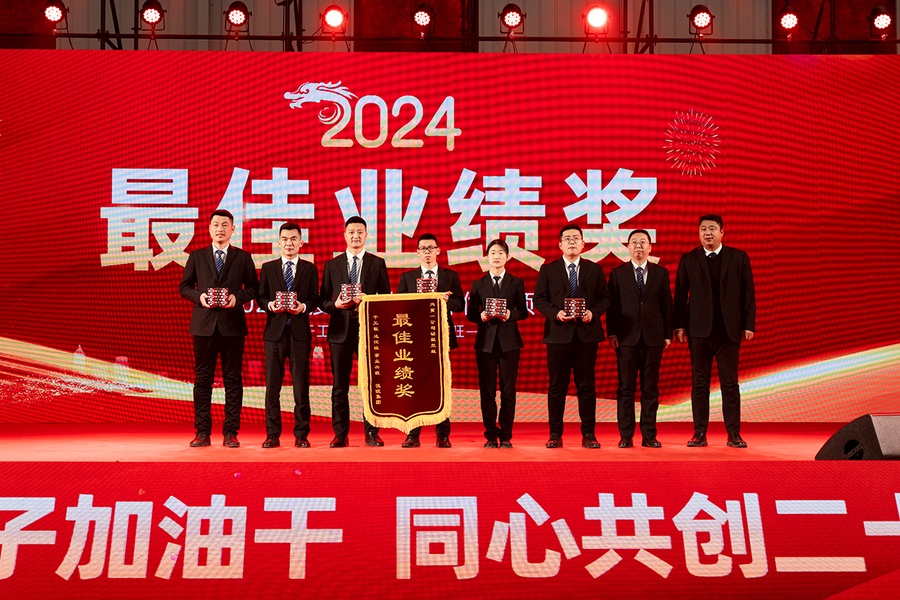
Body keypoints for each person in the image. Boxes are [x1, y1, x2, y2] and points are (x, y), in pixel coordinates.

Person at [674, 214, 756, 448]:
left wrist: (748, 324)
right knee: (699, 384)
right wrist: (679, 325)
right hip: (699, 331)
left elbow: (748, 292)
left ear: (722, 232)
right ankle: (699, 433)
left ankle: (734, 434)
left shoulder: (738, 257)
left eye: (712, 228)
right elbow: (680, 295)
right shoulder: (689, 258)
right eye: (703, 229)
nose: (707, 233)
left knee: (730, 384)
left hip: (728, 331)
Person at [179, 209, 259, 448]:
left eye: (225, 225)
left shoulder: (243, 257)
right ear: (209, 229)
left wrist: (236, 298)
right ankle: (202, 432)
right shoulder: (197, 256)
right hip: (203, 326)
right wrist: (200, 297)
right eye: (216, 225)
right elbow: (184, 287)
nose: (220, 229)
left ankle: (231, 432)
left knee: (233, 379)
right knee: (203, 379)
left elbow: (254, 288)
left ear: (233, 229)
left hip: (232, 326)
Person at [533, 223, 610, 449]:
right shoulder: (548, 269)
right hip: (558, 336)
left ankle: (589, 434)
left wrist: (592, 313)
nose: (572, 241)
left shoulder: (594, 269)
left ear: (583, 243)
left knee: (586, 386)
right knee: (557, 387)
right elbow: (539, 299)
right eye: (567, 238)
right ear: (560, 245)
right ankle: (555, 434)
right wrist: (556, 313)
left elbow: (605, 298)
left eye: (576, 238)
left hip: (587, 335)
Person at [320, 216, 391, 448]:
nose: (355, 236)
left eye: (360, 232)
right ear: (344, 235)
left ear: (366, 235)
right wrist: (336, 305)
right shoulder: (333, 264)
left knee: (370, 384)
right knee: (339, 386)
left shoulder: (377, 263)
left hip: (368, 331)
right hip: (339, 331)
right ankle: (340, 434)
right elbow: (323, 300)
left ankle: (372, 432)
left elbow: (385, 298)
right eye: (351, 232)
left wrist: (368, 301)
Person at [396, 233, 465, 448]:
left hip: (441, 336)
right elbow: (399, 305)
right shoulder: (408, 277)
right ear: (417, 252)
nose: (427, 252)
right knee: (414, 385)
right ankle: (413, 434)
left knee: (441, 385)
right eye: (423, 249)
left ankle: (442, 435)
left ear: (438, 251)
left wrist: (444, 300)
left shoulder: (449, 276)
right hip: (414, 338)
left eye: (431, 248)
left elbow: (460, 304)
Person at [606, 230, 673, 449]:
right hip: (626, 338)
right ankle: (626, 435)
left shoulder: (660, 273)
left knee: (650, 389)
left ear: (650, 247)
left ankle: (649, 435)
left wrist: (667, 334)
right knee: (625, 388)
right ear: (627, 247)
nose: (638, 246)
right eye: (634, 242)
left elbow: (666, 305)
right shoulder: (618, 273)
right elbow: (612, 306)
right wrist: (612, 333)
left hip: (653, 338)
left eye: (643, 242)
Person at [258, 223, 318, 448]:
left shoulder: (309, 269)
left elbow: (315, 299)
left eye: (293, 239)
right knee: (272, 387)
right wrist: (271, 305)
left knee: (301, 386)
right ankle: (272, 434)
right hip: (274, 334)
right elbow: (261, 297)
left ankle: (301, 434)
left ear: (301, 242)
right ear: (279, 242)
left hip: (299, 333)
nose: (289, 243)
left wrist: (303, 307)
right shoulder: (268, 267)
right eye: (285, 239)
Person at [466, 239, 528, 448]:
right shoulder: (478, 283)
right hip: (486, 343)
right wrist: (481, 316)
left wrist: (510, 314)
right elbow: (470, 314)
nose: (496, 256)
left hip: (510, 343)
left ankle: (506, 435)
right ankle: (491, 435)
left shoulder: (516, 282)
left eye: (501, 252)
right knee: (488, 392)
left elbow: (523, 312)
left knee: (508, 391)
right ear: (487, 256)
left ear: (507, 257)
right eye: (493, 252)